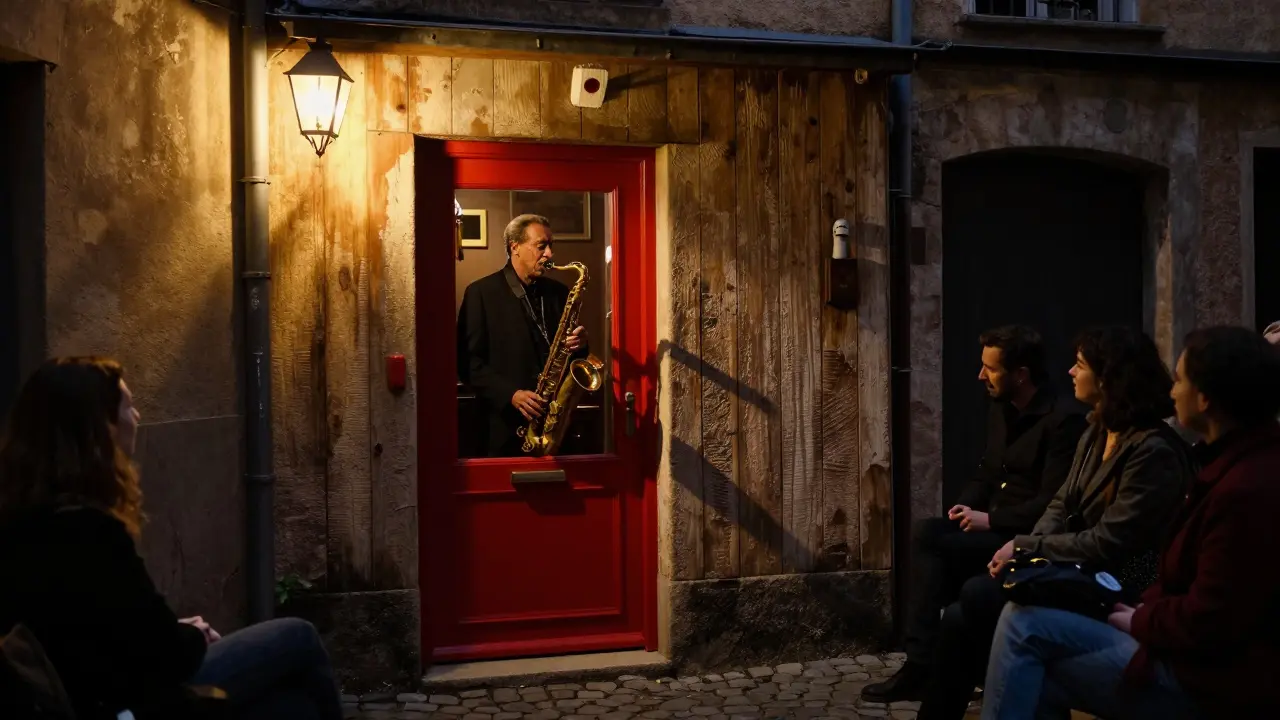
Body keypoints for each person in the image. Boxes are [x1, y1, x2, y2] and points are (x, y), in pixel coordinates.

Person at [0, 357, 342, 720]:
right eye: (128, 407)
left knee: (292, 706)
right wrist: (194, 635)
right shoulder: (90, 534)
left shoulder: (20, 524)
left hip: (97, 694)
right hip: (127, 704)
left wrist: (172, 632)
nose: (137, 417)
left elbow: (105, 631)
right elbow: (165, 655)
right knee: (299, 636)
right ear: (102, 429)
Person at [979, 326, 1280, 719]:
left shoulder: (1241, 486)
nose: (1173, 391)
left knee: (1020, 627)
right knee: (1013, 626)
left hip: (1204, 674)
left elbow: (1211, 617)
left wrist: (1139, 616)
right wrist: (1030, 549)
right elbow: (1062, 502)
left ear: (1205, 398)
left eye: (1180, 380)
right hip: (1154, 616)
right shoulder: (1221, 462)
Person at [916, 326, 1196, 720]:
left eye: (1080, 365)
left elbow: (1107, 541)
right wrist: (1025, 550)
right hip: (1081, 567)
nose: (1070, 372)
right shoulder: (1098, 429)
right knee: (964, 614)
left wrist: (1025, 547)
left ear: (1108, 378)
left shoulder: (1151, 450)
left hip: (1120, 584)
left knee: (978, 598)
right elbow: (1062, 502)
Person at [864, 326, 1086, 702]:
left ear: (1021, 374)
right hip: (991, 525)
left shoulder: (1063, 421)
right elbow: (988, 470)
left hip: (1024, 536)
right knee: (928, 533)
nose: (981, 375)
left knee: (938, 553)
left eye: (991, 368)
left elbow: (1053, 503)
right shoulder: (1001, 406)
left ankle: (925, 666)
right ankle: (931, 663)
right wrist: (964, 507)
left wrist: (991, 520)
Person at [457, 214, 588, 457]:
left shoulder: (559, 293)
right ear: (514, 247)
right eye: (541, 246)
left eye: (551, 246)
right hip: (503, 428)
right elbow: (466, 362)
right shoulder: (481, 293)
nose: (549, 254)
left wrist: (579, 344)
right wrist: (510, 394)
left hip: (554, 426)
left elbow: (572, 355)